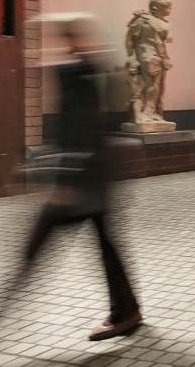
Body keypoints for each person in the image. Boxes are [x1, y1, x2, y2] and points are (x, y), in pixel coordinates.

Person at [18, 17, 142, 342]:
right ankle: (127, 312)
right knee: (107, 249)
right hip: (92, 181)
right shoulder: (84, 71)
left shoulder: (80, 76)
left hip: (82, 184)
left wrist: (62, 182)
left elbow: (82, 134)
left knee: (30, 253)